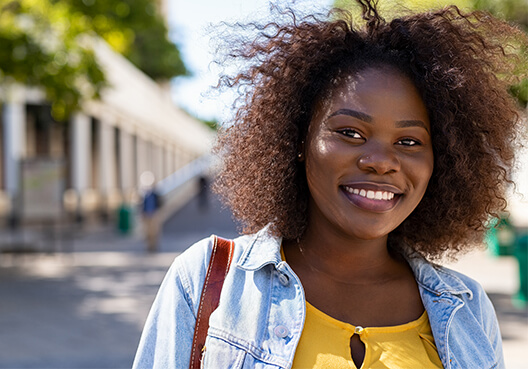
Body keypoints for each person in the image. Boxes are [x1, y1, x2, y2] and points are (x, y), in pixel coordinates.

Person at [133, 1, 527, 368]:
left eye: (408, 142)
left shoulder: (468, 309)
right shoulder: (207, 281)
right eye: (351, 133)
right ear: (299, 141)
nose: (381, 162)